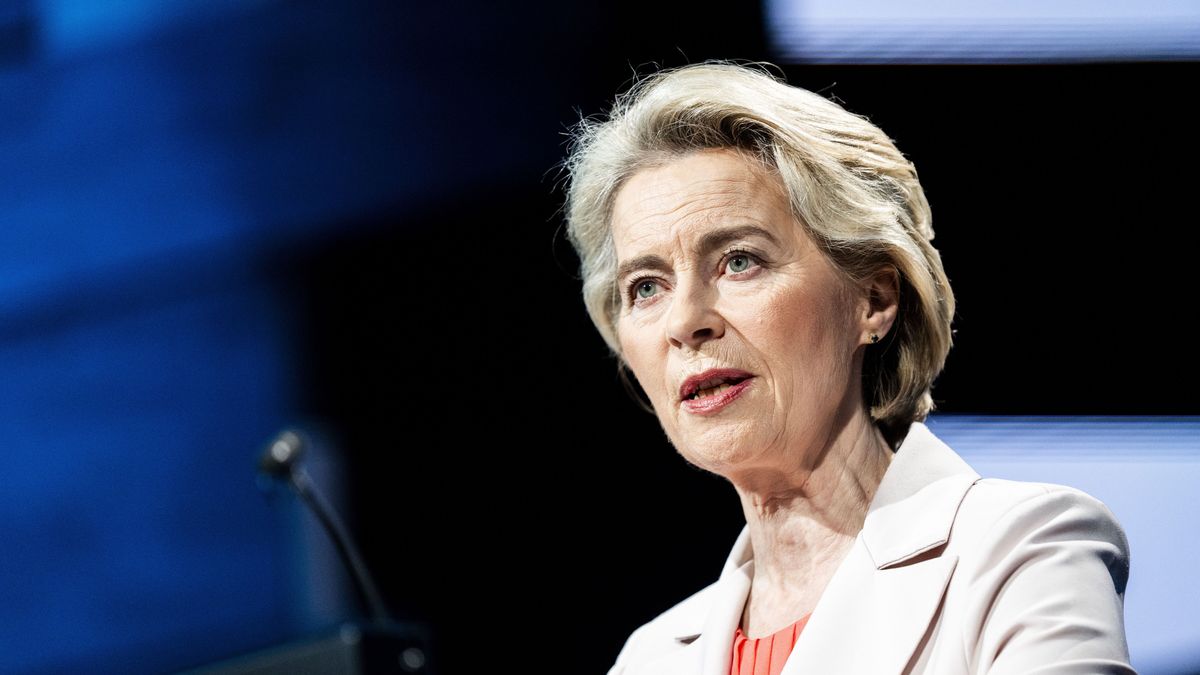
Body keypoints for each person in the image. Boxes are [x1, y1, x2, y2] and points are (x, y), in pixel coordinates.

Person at [560, 62, 1134, 675]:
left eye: (739, 261)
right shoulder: (649, 658)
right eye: (646, 287)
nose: (684, 322)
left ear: (874, 300)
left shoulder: (1020, 551)